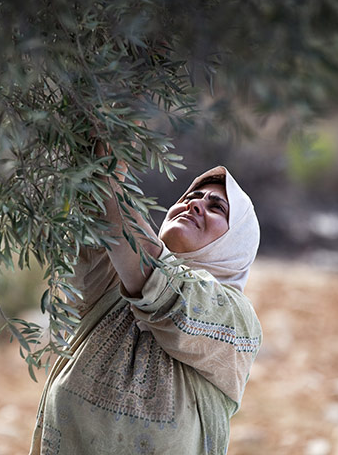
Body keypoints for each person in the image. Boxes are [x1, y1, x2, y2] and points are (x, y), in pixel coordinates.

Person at [30, 156, 262, 454]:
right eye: (190, 197)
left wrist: (111, 178)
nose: (194, 205)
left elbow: (159, 282)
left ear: (237, 242)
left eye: (216, 207)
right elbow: (94, 210)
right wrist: (103, 147)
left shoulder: (237, 320)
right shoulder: (109, 288)